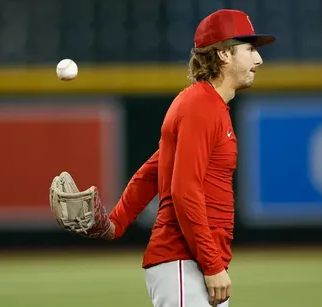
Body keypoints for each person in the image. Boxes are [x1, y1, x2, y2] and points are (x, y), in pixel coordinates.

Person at [105, 9, 275, 307]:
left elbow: (154, 171)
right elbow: (184, 190)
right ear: (223, 54)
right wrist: (211, 264)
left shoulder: (206, 103)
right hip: (184, 261)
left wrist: (115, 223)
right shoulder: (201, 105)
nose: (258, 59)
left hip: (192, 261)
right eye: (249, 49)